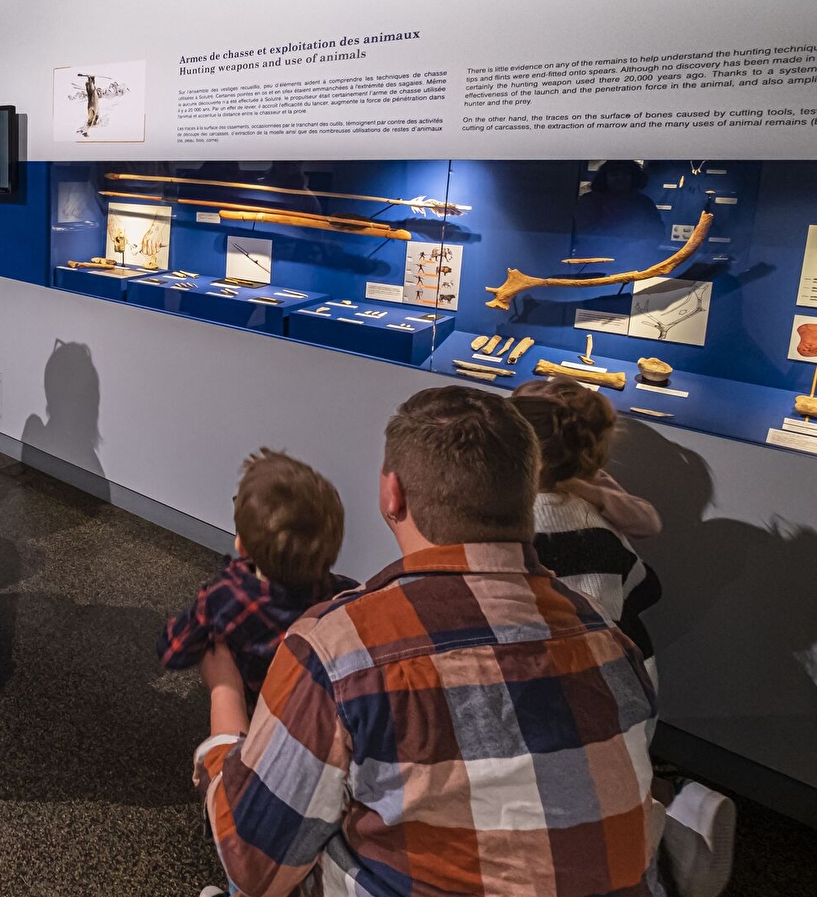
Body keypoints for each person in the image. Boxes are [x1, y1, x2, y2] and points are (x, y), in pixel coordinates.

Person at [196, 386, 663, 896]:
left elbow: (251, 861)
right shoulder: (613, 643)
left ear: (391, 494)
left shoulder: (336, 647)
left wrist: (223, 712)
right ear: (526, 498)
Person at [511, 379, 735, 897]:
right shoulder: (595, 515)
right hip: (628, 679)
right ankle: (672, 815)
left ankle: (666, 833)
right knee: (610, 775)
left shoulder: (517, 524)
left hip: (567, 686)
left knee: (565, 793)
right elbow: (642, 587)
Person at [157, 449, 355, 707]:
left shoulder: (225, 597)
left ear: (242, 546)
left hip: (251, 706)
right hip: (306, 709)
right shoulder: (344, 594)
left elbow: (173, 650)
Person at [510, 379, 661, 672]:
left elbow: (647, 523)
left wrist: (588, 491)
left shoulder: (581, 517)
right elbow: (645, 588)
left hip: (594, 676)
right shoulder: (586, 501)